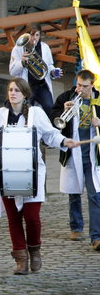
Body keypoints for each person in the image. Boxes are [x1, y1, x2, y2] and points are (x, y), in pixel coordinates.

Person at [0, 77, 76, 275]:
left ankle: (34, 250)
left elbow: (50, 134)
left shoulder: (36, 113)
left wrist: (65, 141)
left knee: (32, 217)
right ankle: (21, 260)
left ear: (25, 94)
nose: (12, 93)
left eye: (17, 90)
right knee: (13, 218)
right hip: (7, 171)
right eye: (10, 89)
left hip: (32, 172)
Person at [50, 69, 100, 249]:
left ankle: (96, 237)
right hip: (74, 153)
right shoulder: (67, 97)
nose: (80, 89)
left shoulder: (98, 100)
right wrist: (63, 111)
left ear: (92, 85)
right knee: (74, 193)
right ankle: (76, 226)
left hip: (94, 157)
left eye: (85, 87)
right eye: (78, 84)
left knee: (95, 196)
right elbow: (53, 118)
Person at [10, 23, 62, 117]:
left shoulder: (45, 47)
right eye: (32, 35)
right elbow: (12, 71)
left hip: (41, 85)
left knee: (50, 107)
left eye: (37, 35)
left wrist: (53, 72)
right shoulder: (18, 49)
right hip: (26, 87)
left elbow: (49, 66)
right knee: (26, 111)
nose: (34, 38)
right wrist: (21, 62)